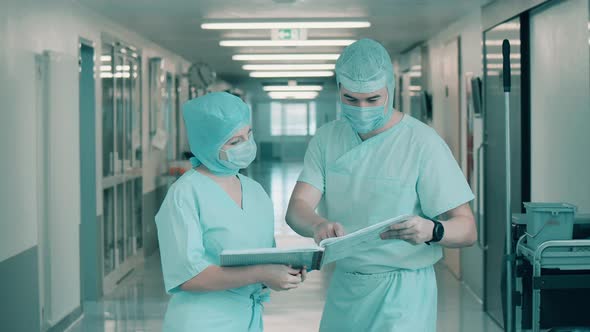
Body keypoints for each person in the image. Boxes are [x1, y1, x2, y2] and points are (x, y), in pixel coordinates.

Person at [286, 38, 477, 331]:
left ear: (390, 89)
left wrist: (433, 230)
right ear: (339, 90)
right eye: (351, 99)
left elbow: (467, 228)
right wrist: (316, 224)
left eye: (373, 99)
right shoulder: (327, 139)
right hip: (346, 286)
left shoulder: (421, 142)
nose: (362, 108)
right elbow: (297, 207)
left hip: (404, 291)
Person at [156, 92, 306, 332]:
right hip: (201, 322)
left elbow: (263, 258)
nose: (246, 146)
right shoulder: (185, 194)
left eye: (248, 135)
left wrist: (281, 274)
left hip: (247, 318)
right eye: (234, 142)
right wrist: (261, 273)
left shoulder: (255, 191)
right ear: (207, 144)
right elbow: (188, 276)